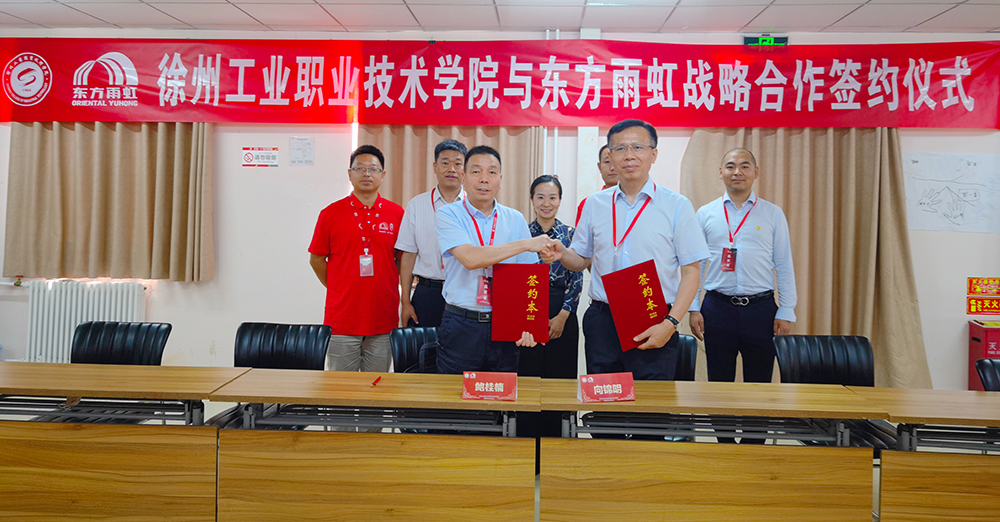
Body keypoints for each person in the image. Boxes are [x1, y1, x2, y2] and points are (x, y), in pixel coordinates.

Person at [542, 119, 709, 381]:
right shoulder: (594, 204)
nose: (629, 155)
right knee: (604, 397)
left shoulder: (676, 205)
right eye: (620, 148)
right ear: (610, 156)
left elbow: (692, 271)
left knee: (650, 402)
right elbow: (581, 259)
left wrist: (671, 323)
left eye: (638, 147)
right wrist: (562, 253)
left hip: (653, 317)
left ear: (653, 154)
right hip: (602, 320)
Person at [435, 145, 551, 374]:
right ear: (463, 177)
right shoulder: (448, 214)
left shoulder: (514, 218)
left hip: (505, 324)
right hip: (462, 324)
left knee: (501, 391)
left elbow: (528, 277)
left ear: (500, 179)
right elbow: (470, 258)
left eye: (491, 172)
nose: (484, 179)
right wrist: (526, 243)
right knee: (455, 393)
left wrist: (528, 324)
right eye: (476, 171)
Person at [689, 148, 797, 385]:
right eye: (730, 166)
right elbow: (697, 265)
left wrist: (786, 310)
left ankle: (756, 413)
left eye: (744, 166)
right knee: (719, 382)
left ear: (755, 172)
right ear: (721, 172)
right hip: (717, 308)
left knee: (760, 383)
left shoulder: (773, 213)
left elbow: (783, 264)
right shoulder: (705, 213)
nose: (737, 172)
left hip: (761, 310)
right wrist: (694, 307)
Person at [309, 144, 404, 372]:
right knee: (342, 389)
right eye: (360, 168)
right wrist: (338, 287)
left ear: (383, 175)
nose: (366, 174)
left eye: (373, 169)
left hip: (383, 317)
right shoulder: (330, 214)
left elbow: (403, 261)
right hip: (342, 319)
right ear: (350, 174)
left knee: (376, 386)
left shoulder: (397, 214)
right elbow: (316, 259)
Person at [519, 175, 583, 437]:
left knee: (560, 380)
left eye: (552, 197)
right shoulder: (521, 233)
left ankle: (559, 444)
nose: (546, 203)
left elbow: (577, 278)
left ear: (560, 200)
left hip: (562, 313)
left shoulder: (571, 234)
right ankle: (526, 443)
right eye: (541, 197)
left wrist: (562, 316)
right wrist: (526, 320)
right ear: (532, 200)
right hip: (526, 313)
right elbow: (514, 276)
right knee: (528, 378)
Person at [396, 139, 467, 328]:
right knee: (423, 346)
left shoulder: (474, 207)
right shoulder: (417, 205)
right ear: (435, 167)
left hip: (464, 292)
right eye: (445, 163)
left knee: (461, 346)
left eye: (458, 164)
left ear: (465, 169)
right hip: (427, 293)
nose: (451, 169)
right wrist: (405, 302)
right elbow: (408, 256)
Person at [575, 144, 618, 226]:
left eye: (616, 162)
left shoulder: (638, 201)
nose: (612, 168)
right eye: (607, 162)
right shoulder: (588, 204)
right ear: (599, 167)